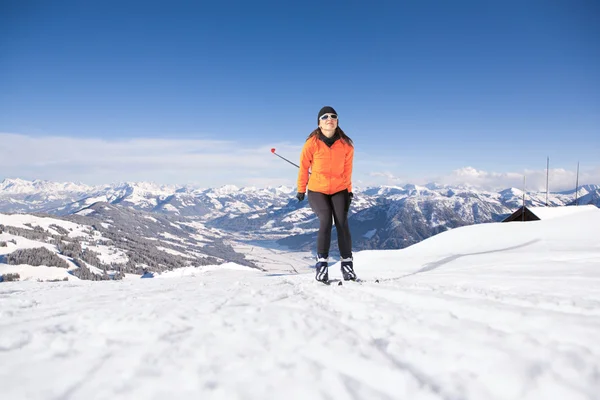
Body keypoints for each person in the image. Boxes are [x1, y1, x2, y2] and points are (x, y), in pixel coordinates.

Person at [296, 106, 356, 283]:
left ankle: (347, 266)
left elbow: (347, 171)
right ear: (319, 123)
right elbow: (304, 167)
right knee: (325, 219)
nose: (329, 118)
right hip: (317, 190)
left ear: (337, 122)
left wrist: (349, 191)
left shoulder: (346, 145)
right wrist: (301, 189)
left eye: (333, 116)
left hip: (339, 189)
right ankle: (322, 266)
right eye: (325, 117)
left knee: (342, 222)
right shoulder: (312, 143)